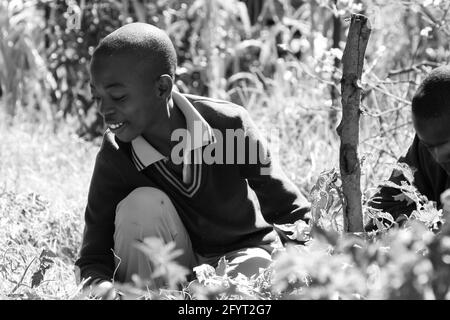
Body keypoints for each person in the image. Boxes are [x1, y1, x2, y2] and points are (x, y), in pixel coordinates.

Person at [74, 22, 310, 299]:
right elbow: (93, 256)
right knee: (141, 205)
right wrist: (101, 288)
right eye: (97, 97)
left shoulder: (228, 126)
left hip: (239, 258)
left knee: (251, 274)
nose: (104, 110)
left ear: (162, 87)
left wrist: (305, 268)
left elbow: (291, 211)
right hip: (167, 273)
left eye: (117, 96)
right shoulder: (116, 152)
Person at [368, 65, 450, 228]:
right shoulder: (427, 147)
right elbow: (381, 210)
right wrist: (424, 227)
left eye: (447, 151)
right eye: (429, 147)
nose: (437, 157)